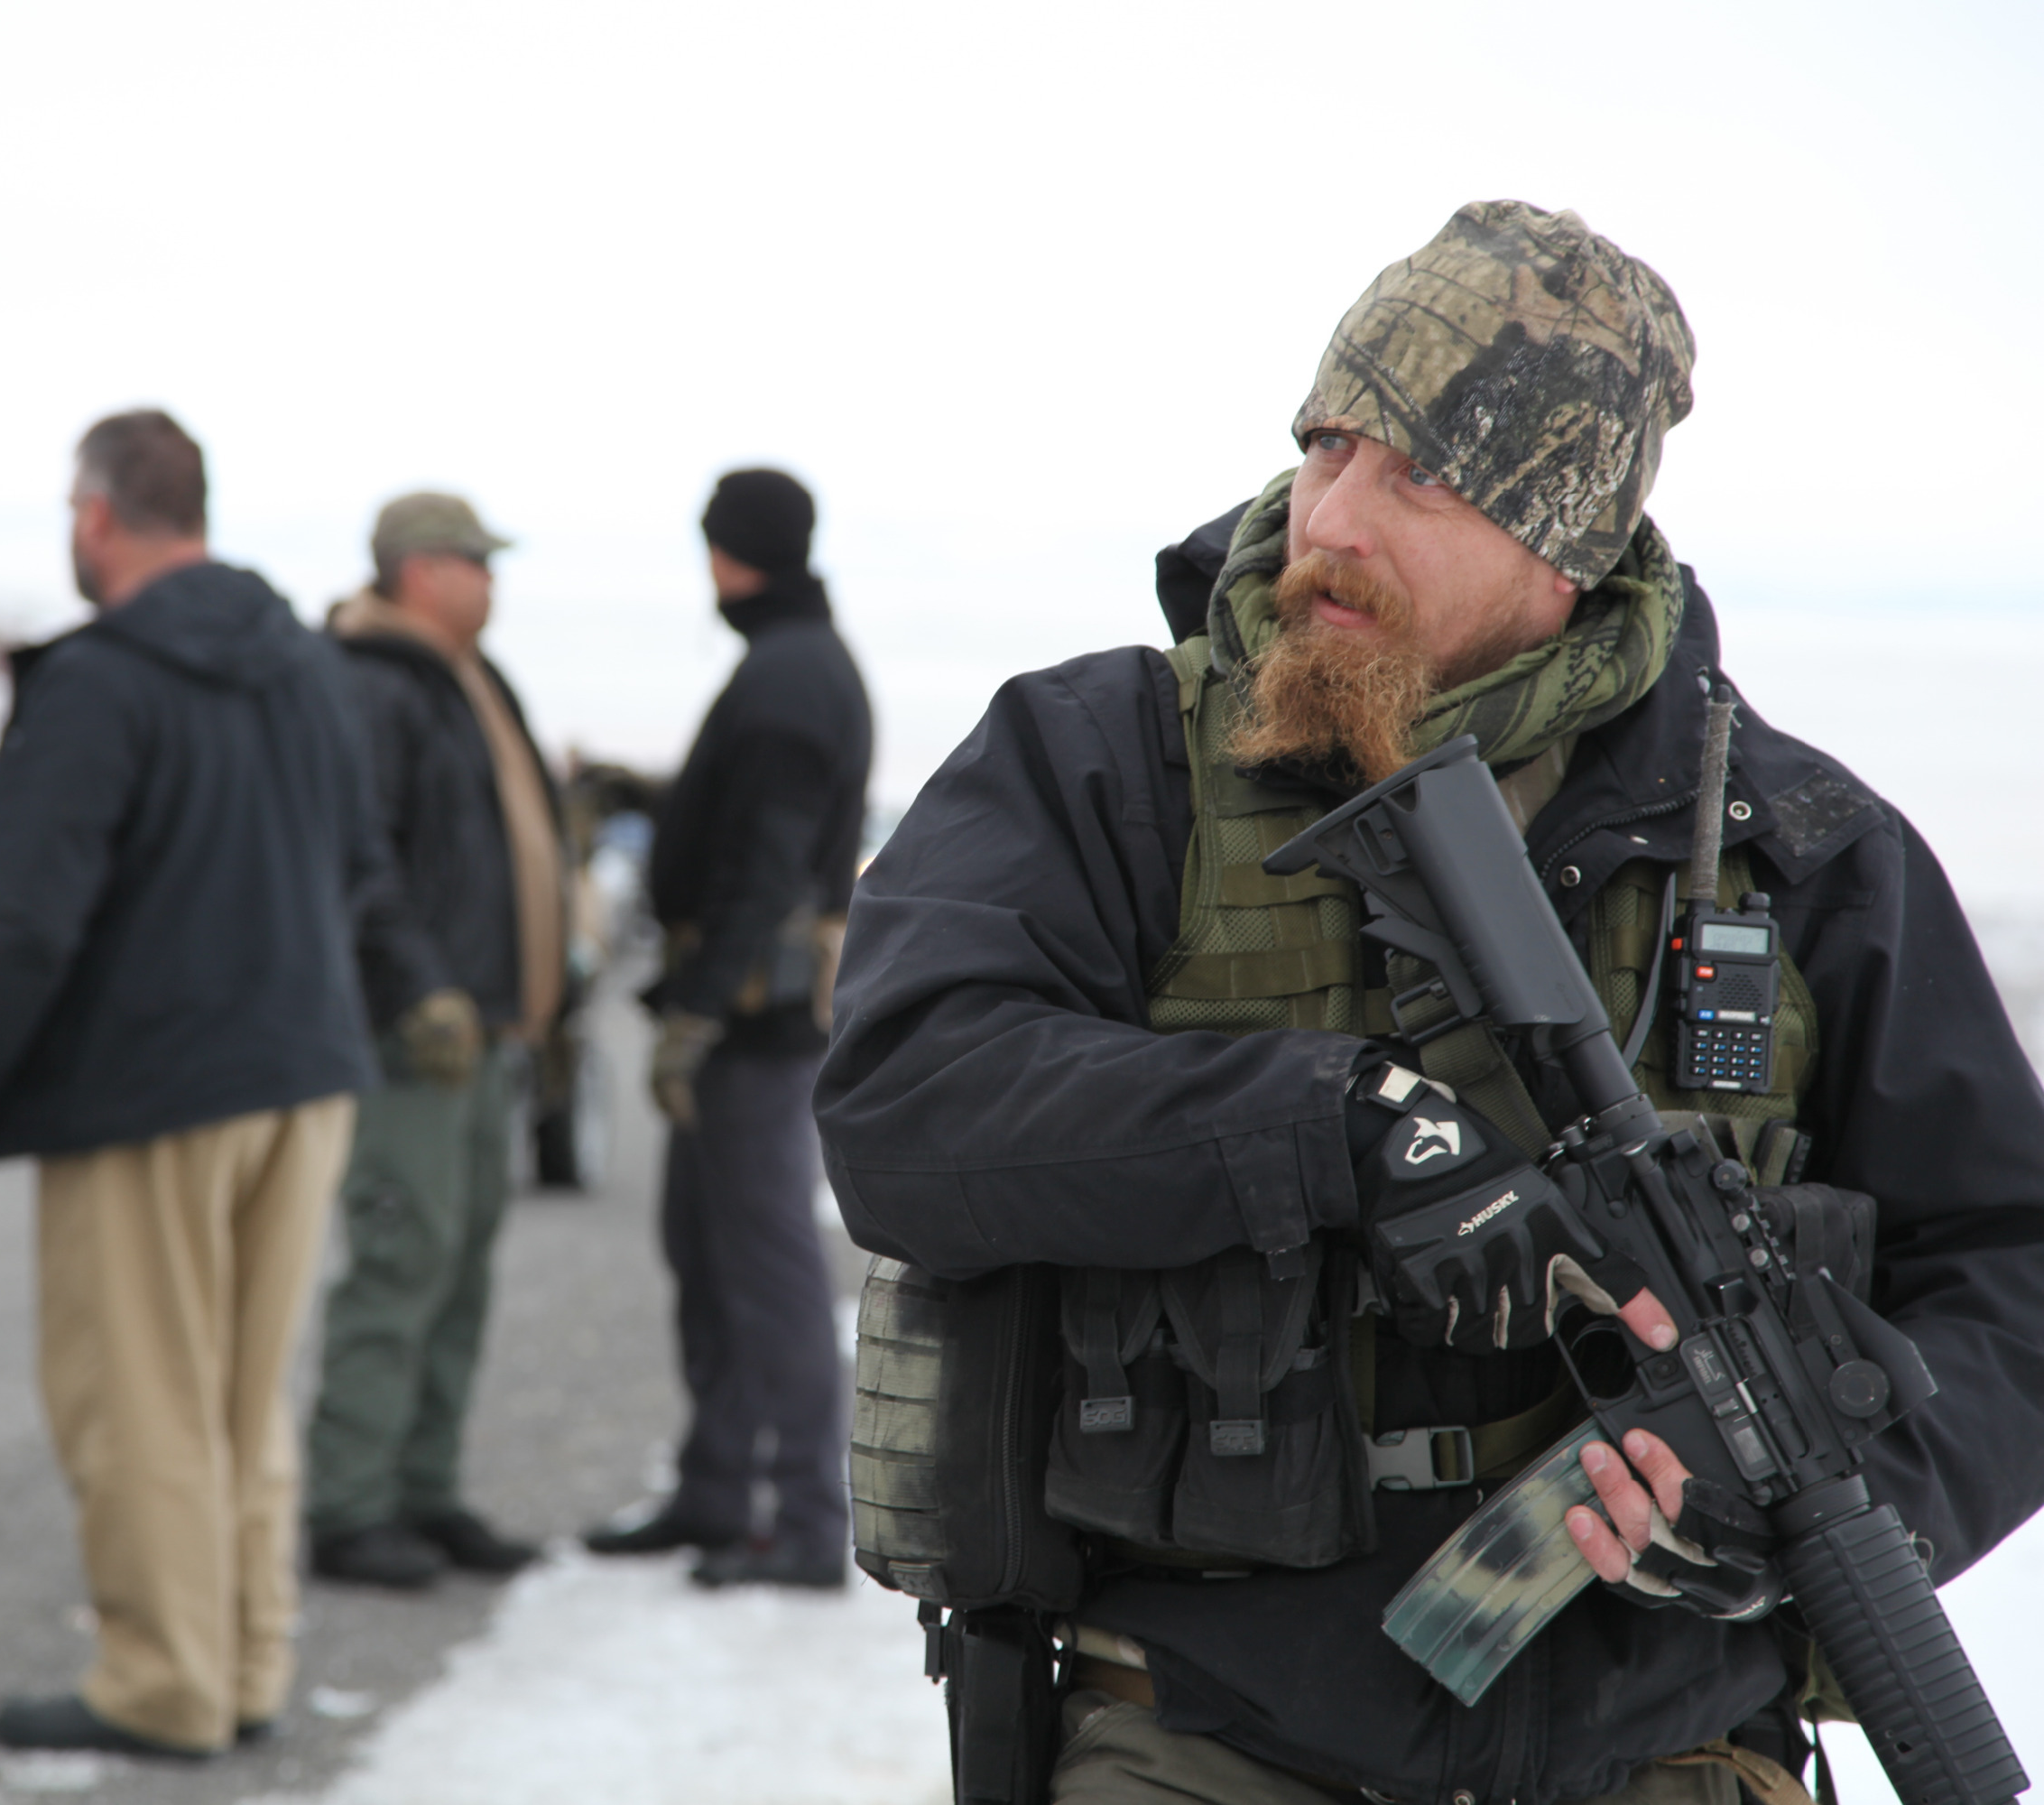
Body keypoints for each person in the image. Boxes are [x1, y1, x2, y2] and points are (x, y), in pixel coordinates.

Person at [815, 202, 2044, 1803]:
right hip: (1205, 1724)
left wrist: (1812, 1498)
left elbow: (2010, 1266)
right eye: (1327, 449)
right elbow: (908, 1105)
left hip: (1666, 1744)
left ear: (1568, 540)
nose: (1329, 519)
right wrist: (1333, 1128)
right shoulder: (1106, 762)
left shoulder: (1803, 852)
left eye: (1419, 478)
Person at [0, 410, 377, 1760]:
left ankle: (162, 1681)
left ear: (104, 515)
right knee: (242, 1392)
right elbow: (360, 855)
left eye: (75, 507)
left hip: (154, 1081)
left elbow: (26, 912)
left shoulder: (102, 680)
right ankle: (241, 1664)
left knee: (140, 1391)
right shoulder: (301, 663)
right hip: (302, 1067)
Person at [583, 467, 871, 1588]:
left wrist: (696, 1013)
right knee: (708, 1258)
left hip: (750, 1028)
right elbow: (751, 817)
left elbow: (766, 869)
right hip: (742, 1022)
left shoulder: (791, 674)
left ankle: (802, 1524)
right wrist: (649, 797)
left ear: (727, 550)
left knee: (767, 1272)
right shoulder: (791, 663)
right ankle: (714, 1493)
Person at [305, 493, 560, 1590]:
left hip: (483, 1028)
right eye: (476, 562)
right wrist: (419, 991)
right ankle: (351, 1504)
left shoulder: (464, 675)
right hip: (416, 1038)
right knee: (402, 1259)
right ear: (419, 571)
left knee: (456, 1272)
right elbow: (359, 862)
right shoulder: (373, 682)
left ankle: (424, 1489)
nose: (492, 581)